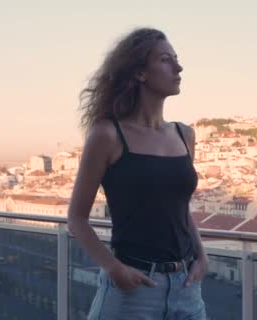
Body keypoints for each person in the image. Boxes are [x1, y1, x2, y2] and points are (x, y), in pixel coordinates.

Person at [67, 28, 208, 319]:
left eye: (177, 59)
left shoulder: (185, 135)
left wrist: (202, 256)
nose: (178, 67)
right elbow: (77, 218)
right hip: (133, 290)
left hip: (186, 287)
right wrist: (114, 268)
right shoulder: (108, 135)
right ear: (139, 73)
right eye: (166, 59)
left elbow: (179, 210)